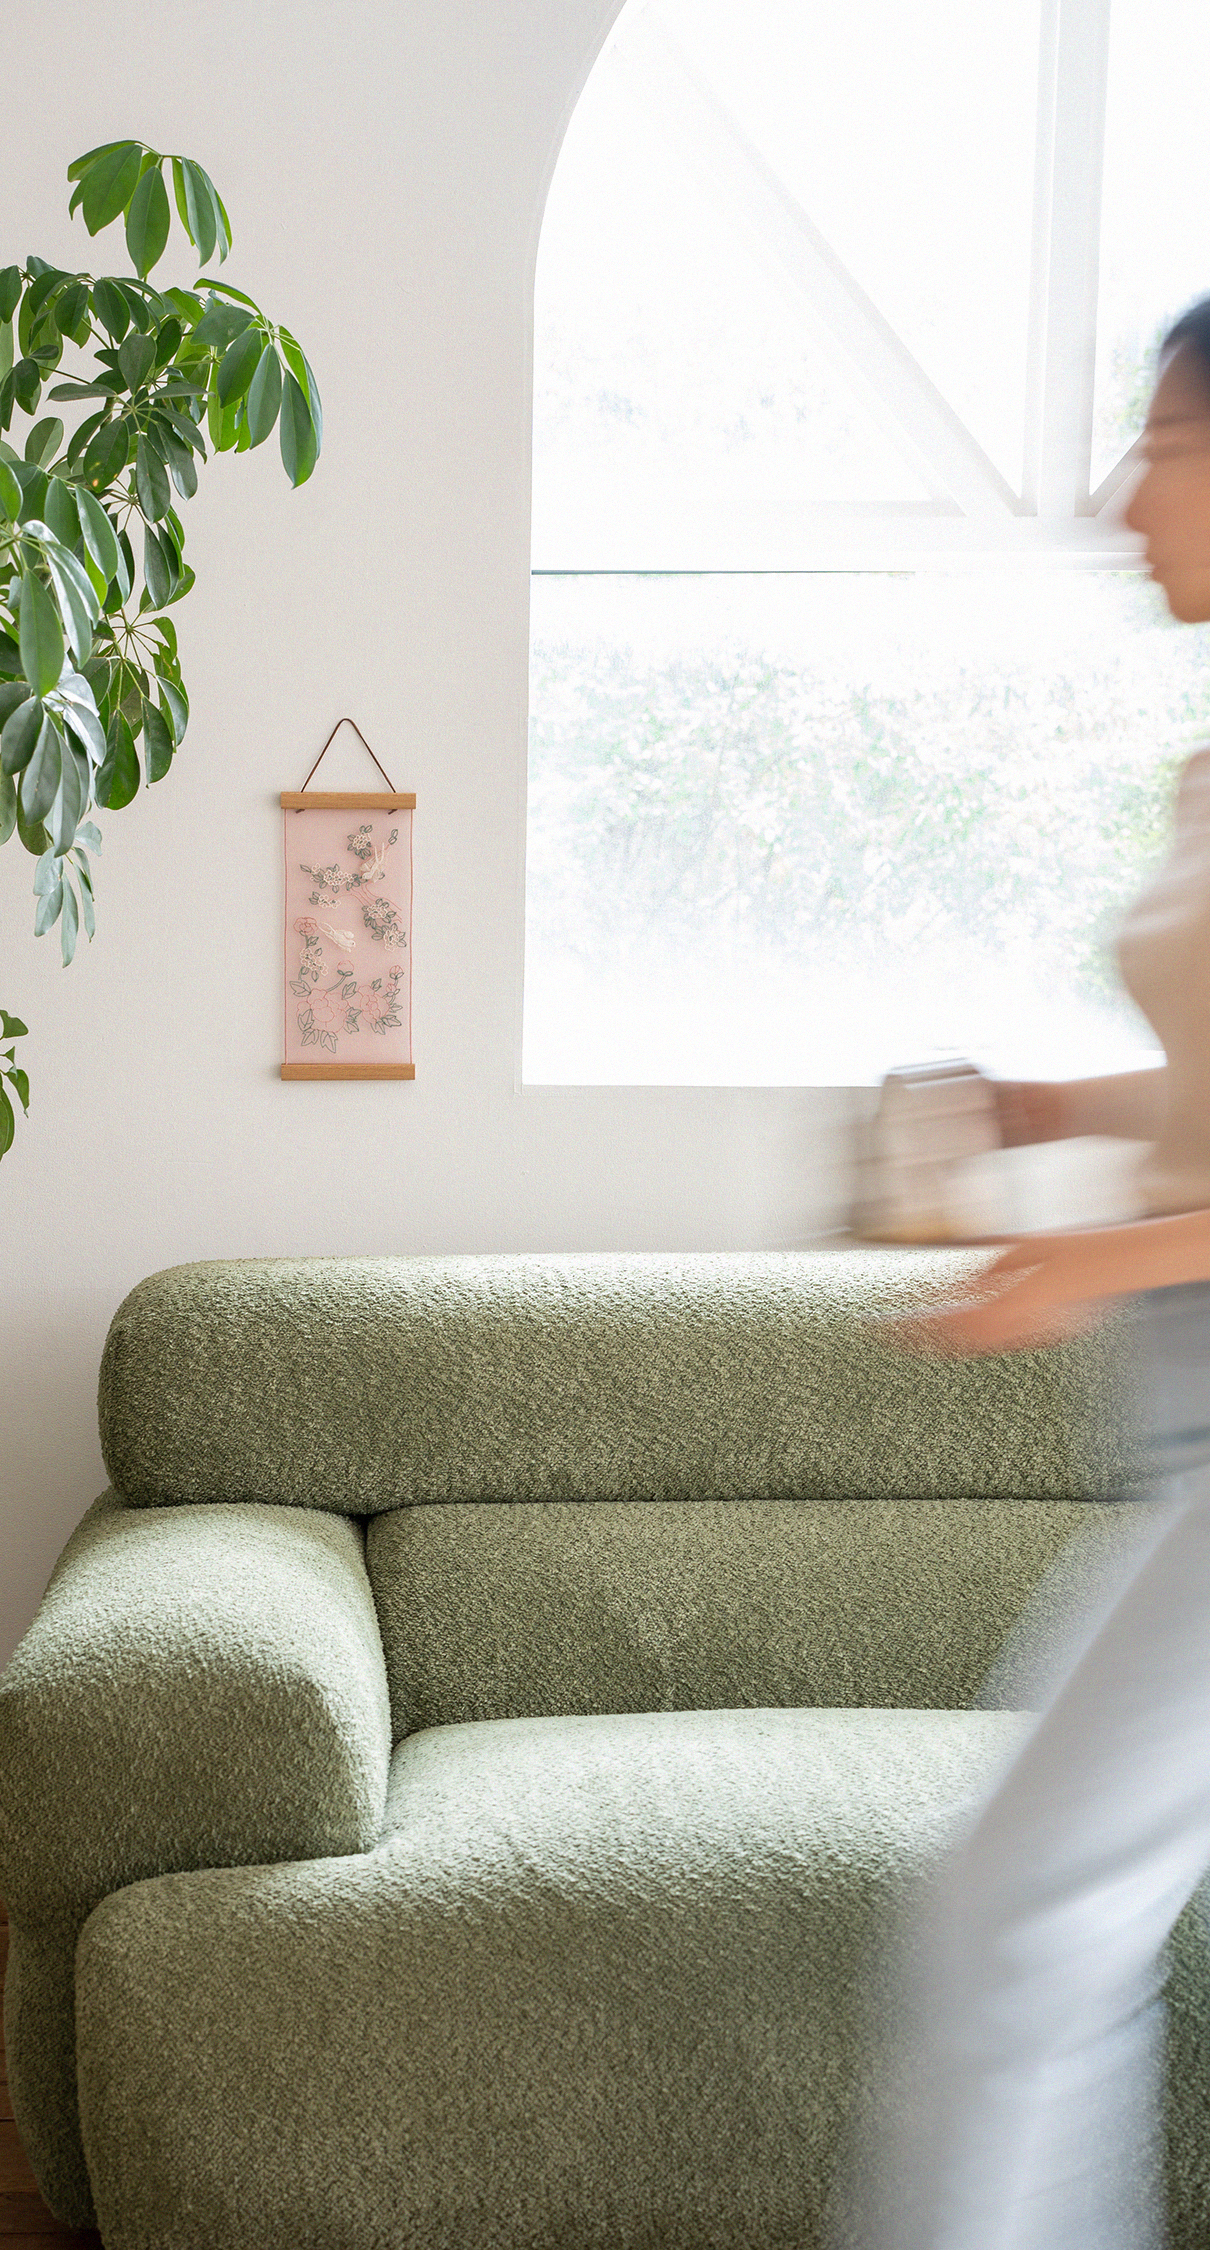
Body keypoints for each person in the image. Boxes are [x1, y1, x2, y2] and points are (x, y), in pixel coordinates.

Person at [859, 299, 1210, 2250]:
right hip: (1180, 1425)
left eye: (1163, 446)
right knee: (1038, 1932)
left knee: (1012, 1927)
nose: (1116, 496)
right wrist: (1045, 1103)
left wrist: (1084, 1262)